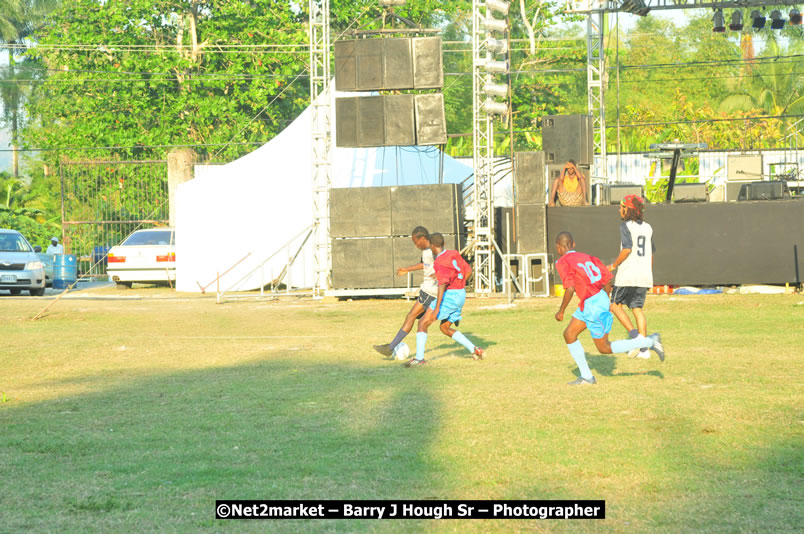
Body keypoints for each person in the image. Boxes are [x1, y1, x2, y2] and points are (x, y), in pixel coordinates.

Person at [554, 231, 664, 385]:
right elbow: (606, 278)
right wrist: (604, 298)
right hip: (592, 301)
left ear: (558, 247)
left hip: (592, 305)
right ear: (573, 244)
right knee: (569, 334)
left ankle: (649, 342)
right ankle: (586, 377)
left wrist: (561, 311)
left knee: (604, 348)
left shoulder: (562, 262)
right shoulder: (588, 257)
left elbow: (570, 288)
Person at [404, 232, 485, 367]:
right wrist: (458, 284)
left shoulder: (439, 262)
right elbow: (468, 270)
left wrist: (437, 308)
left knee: (423, 323)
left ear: (432, 246)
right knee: (445, 328)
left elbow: (443, 285)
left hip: (450, 296)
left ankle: (419, 359)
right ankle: (475, 349)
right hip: (460, 294)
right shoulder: (453, 253)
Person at [373, 226, 438, 358]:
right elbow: (424, 264)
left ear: (423, 238)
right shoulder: (426, 251)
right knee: (422, 321)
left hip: (431, 291)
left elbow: (444, 262)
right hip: (428, 290)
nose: (415, 245)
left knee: (412, 316)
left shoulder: (433, 249)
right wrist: (407, 269)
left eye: (416, 242)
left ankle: (391, 348)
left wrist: (440, 273)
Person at [607, 194, 655, 359]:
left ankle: (637, 339)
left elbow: (627, 249)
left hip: (628, 273)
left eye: (622, 207)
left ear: (629, 210)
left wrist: (613, 266)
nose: (620, 210)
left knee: (614, 305)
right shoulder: (648, 228)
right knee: (637, 308)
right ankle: (644, 351)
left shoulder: (626, 226)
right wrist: (647, 272)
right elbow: (651, 254)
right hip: (644, 274)